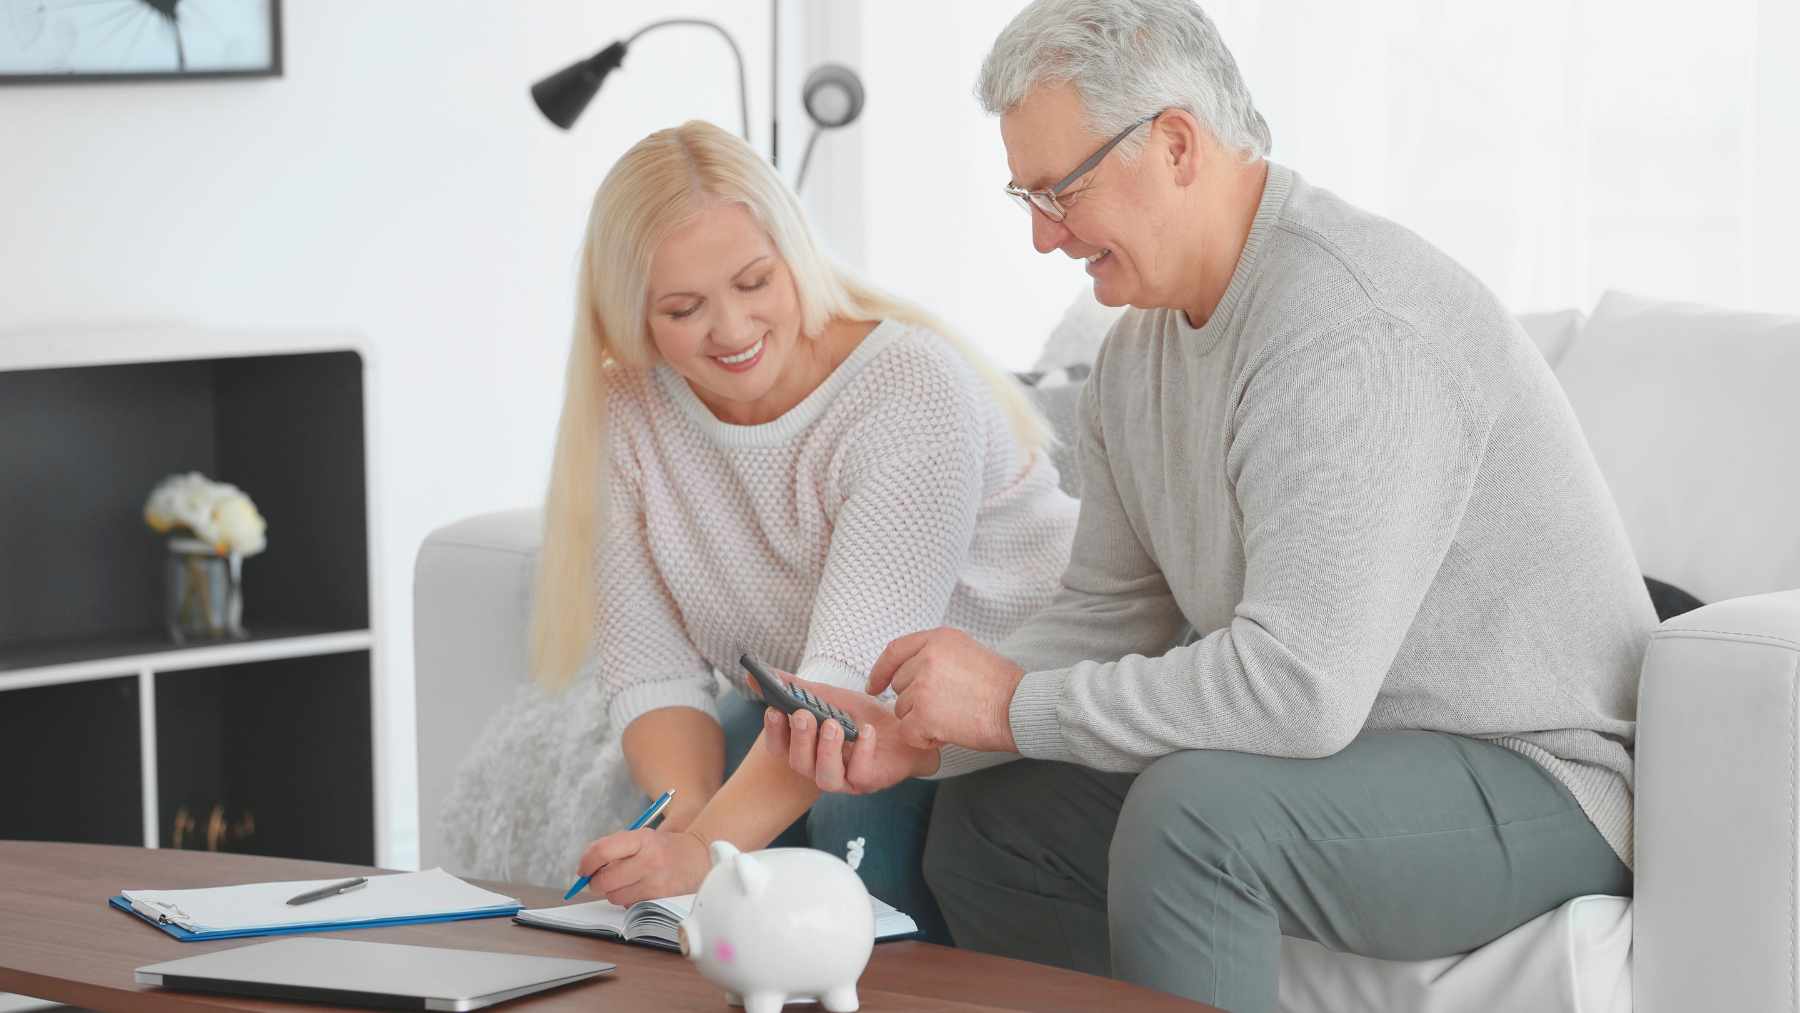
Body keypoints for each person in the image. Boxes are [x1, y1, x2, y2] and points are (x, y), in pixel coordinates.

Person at [766, 1, 1652, 1009]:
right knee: (999, 816)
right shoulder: (1135, 358)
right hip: (1361, 753)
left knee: (1197, 814)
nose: (1042, 234)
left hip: (1539, 778)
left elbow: (1297, 690)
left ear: (1177, 144)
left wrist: (1008, 705)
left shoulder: (1350, 326)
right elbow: (1108, 618)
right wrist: (927, 733)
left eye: (1060, 190)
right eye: (1024, 192)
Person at [523, 120, 1078, 944]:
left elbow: (849, 686)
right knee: (732, 783)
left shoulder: (907, 388)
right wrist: (680, 841)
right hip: (835, 712)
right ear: (631, 317)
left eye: (754, 281)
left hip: (1009, 706)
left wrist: (707, 853)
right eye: (683, 308)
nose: (733, 330)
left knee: (852, 815)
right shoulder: (628, 410)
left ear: (796, 254)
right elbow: (653, 673)